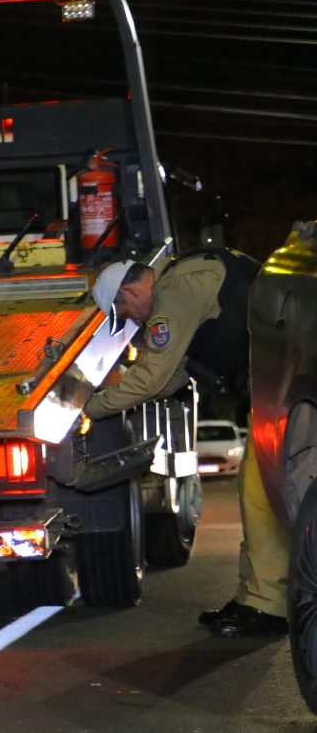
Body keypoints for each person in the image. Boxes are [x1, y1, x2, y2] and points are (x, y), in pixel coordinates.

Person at [85, 248, 285, 637]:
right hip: (277, 387)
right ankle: (257, 600)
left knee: (262, 498)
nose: (128, 319)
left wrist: (90, 408)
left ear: (129, 292)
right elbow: (173, 373)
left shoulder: (173, 292)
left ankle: (267, 607)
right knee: (257, 496)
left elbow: (154, 376)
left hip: (284, 387)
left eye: (123, 311)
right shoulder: (183, 281)